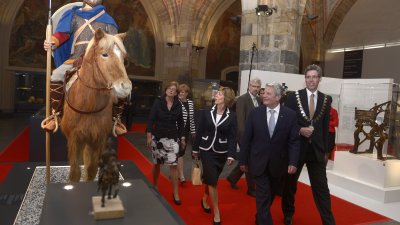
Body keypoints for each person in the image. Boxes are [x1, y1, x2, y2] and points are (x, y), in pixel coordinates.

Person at [41, 0, 127, 136]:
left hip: (99, 60)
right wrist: (52, 42)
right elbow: (62, 34)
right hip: (76, 58)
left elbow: (113, 41)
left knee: (119, 80)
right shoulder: (74, 15)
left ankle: (116, 119)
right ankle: (56, 114)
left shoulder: (108, 20)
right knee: (56, 75)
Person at [281, 64, 335, 225]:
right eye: (308, 77)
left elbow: (326, 128)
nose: (311, 80)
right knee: (290, 185)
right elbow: (286, 123)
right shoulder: (293, 96)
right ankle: (288, 214)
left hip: (316, 151)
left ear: (319, 79)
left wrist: (326, 151)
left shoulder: (326, 99)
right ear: (305, 79)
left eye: (314, 77)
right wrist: (299, 130)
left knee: (322, 188)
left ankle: (328, 221)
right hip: (296, 149)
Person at [239, 83, 300, 225]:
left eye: (268, 93)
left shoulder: (290, 115)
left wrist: (293, 162)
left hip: (278, 165)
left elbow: (294, 142)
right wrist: (243, 160)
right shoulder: (255, 113)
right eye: (263, 92)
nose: (263, 95)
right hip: (258, 163)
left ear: (278, 97)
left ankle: (259, 218)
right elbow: (247, 139)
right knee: (263, 195)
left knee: (270, 195)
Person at [192, 87, 237, 225]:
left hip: (221, 152)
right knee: (212, 180)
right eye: (217, 93)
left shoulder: (232, 115)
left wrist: (231, 154)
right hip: (206, 150)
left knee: (212, 180)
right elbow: (199, 131)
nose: (216, 95)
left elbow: (232, 137)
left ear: (226, 98)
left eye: (219, 93)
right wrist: (195, 149)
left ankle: (205, 198)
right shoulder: (206, 112)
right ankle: (217, 212)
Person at [146, 81, 186, 205]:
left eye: (174, 89)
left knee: (173, 165)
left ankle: (175, 192)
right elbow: (151, 119)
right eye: (169, 88)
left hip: (173, 138)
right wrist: (149, 136)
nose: (171, 90)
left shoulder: (178, 105)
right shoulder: (158, 102)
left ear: (176, 93)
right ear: (166, 90)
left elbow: (180, 123)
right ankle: (155, 185)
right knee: (157, 164)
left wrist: (182, 138)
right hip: (158, 138)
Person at [226, 78, 261, 197]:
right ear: (249, 86)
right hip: (245, 137)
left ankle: (232, 178)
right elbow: (240, 122)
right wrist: (243, 140)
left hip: (256, 137)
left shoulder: (259, 100)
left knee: (245, 160)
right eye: (253, 86)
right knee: (250, 162)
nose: (255, 88)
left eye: (257, 86)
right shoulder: (242, 99)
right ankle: (251, 188)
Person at [177, 83, 196, 183]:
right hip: (178, 131)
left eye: (183, 92)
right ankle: (181, 175)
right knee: (179, 152)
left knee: (181, 152)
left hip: (187, 130)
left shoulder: (190, 103)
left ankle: (174, 172)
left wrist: (193, 132)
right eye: (180, 92)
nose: (181, 93)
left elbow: (191, 118)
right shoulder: (176, 102)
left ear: (187, 93)